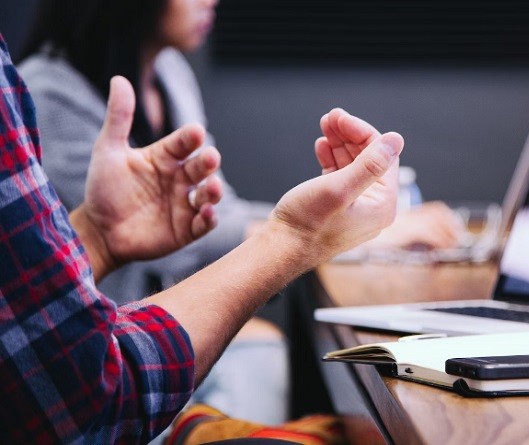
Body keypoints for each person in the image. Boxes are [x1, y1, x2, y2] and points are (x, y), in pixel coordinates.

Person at [0, 29, 405, 443]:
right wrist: (296, 237)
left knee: (263, 351)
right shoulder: (47, 91)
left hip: (124, 371)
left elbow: (23, 301)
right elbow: (87, 400)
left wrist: (97, 237)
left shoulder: (169, 71)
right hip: (115, 399)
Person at [17, 0, 465, 303]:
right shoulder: (46, 96)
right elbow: (181, 242)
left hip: (164, 316)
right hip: (108, 337)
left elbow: (214, 212)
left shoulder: (169, 72)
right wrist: (344, 233)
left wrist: (336, 226)